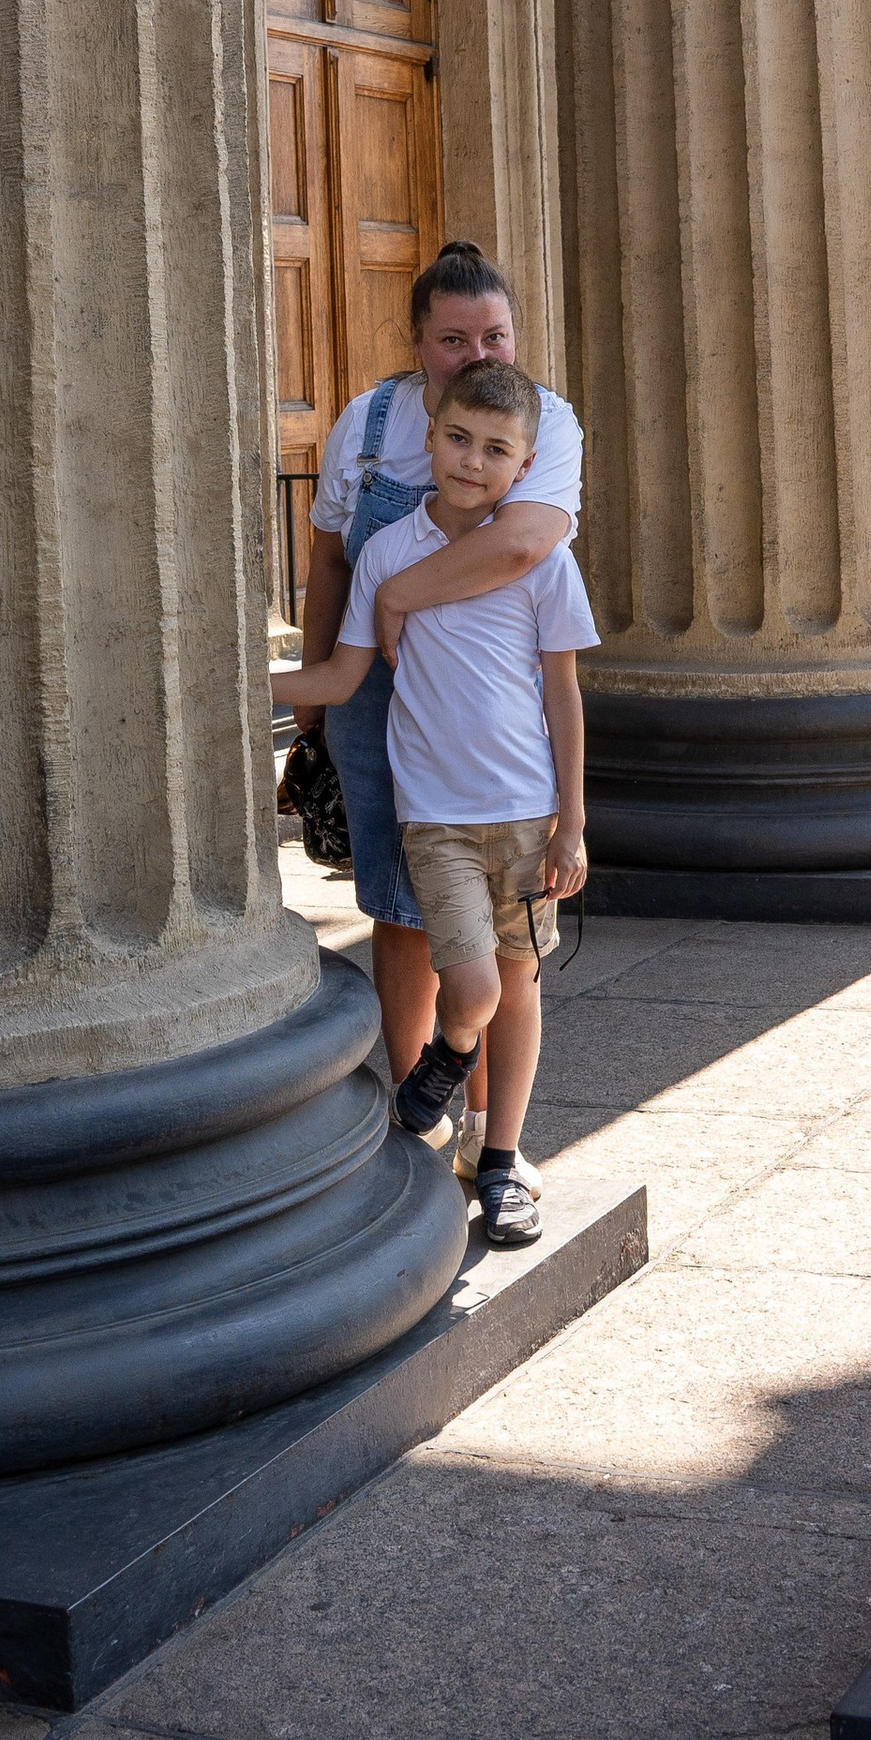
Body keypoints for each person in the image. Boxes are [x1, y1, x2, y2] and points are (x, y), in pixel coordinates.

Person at [274, 359, 593, 1244]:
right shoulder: (386, 554)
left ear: (523, 466)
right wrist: (247, 683)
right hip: (439, 823)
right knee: (475, 980)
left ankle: (502, 1166)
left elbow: (563, 696)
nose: (471, 460)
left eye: (496, 449)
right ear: (430, 437)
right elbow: (343, 675)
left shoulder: (544, 563)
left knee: (519, 986)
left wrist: (574, 822)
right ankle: (453, 1054)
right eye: (458, 438)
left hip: (528, 817)